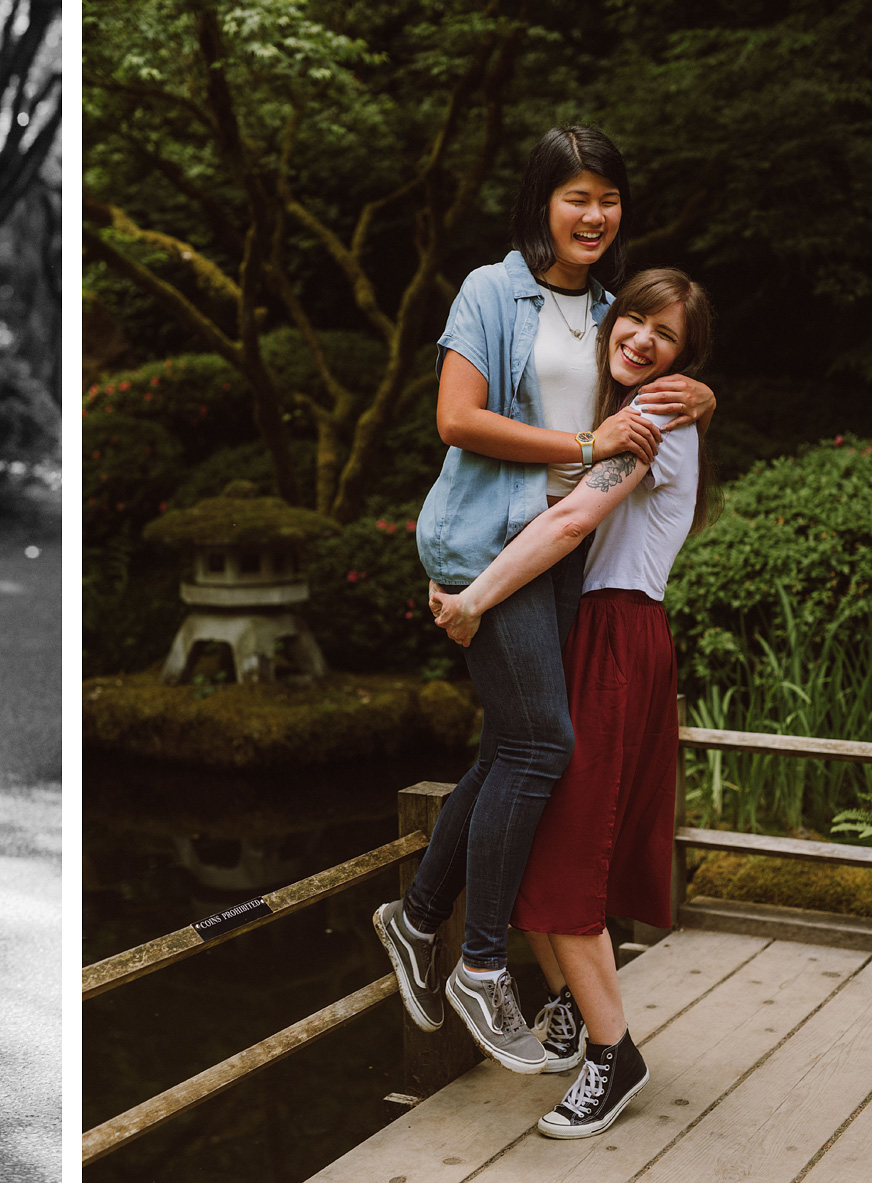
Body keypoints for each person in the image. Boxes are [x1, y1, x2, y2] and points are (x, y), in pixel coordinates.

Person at [372, 126, 715, 1074]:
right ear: (542, 203)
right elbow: (456, 418)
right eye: (576, 196)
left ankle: (414, 920)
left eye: (607, 197)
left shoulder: (616, 310)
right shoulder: (492, 290)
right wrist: (582, 449)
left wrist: (701, 397)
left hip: (555, 555)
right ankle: (479, 962)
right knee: (543, 745)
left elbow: (656, 376)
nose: (593, 214)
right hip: (489, 537)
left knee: (516, 745)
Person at [430, 268, 715, 1137]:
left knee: (570, 850)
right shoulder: (609, 407)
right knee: (544, 828)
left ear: (683, 360)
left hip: (616, 635)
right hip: (584, 629)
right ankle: (565, 1007)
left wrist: (474, 598)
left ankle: (612, 1051)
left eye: (665, 337)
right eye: (634, 319)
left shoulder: (656, 416)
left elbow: (564, 526)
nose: (640, 340)